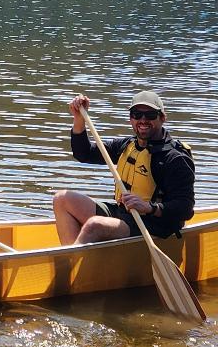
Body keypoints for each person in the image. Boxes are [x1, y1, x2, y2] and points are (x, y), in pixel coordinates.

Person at [52, 91, 194, 245]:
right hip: (123, 214)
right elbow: (84, 153)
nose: (143, 120)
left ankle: (72, 265)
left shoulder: (174, 158)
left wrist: (149, 208)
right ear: (131, 118)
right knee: (62, 199)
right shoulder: (126, 146)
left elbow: (185, 208)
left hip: (153, 225)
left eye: (150, 115)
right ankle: (72, 259)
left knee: (94, 225)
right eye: (137, 114)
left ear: (162, 118)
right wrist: (79, 119)